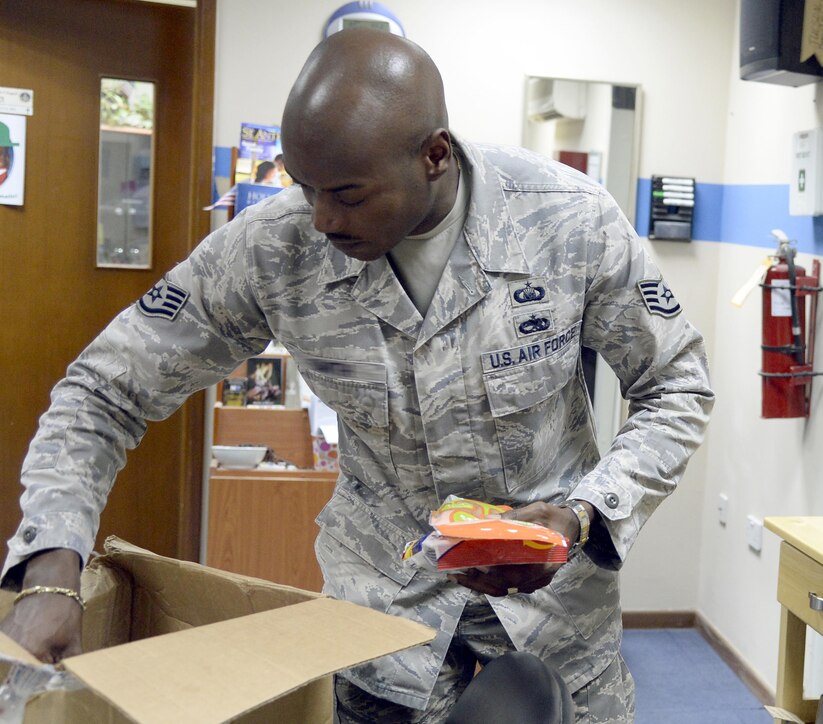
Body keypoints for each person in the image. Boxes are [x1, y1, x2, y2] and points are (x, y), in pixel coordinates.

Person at [0, 28, 713, 722]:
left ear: (434, 156)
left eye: (345, 192)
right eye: (302, 184)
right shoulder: (275, 248)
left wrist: (586, 515)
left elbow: (677, 384)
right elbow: (103, 389)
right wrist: (51, 562)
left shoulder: (568, 222)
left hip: (557, 622)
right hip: (384, 624)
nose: (319, 219)